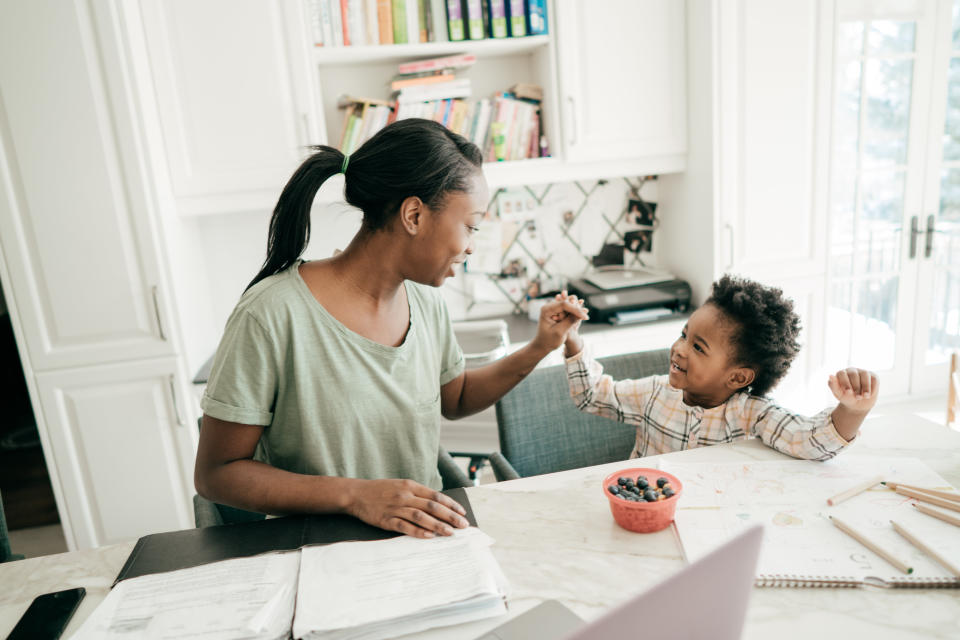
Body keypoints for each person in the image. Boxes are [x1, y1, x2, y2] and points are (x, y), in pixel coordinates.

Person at [194, 119, 586, 539]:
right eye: (470, 226)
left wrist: (541, 346)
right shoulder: (270, 314)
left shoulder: (427, 302)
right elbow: (217, 474)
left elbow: (454, 398)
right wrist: (356, 495)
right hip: (319, 552)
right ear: (414, 215)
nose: (471, 245)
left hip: (423, 540)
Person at [559, 275, 878, 460]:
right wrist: (572, 339)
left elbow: (809, 442)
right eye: (684, 335)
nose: (679, 348)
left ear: (738, 376)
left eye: (698, 347)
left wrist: (852, 410)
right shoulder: (656, 393)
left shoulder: (752, 414)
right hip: (647, 516)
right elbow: (592, 396)